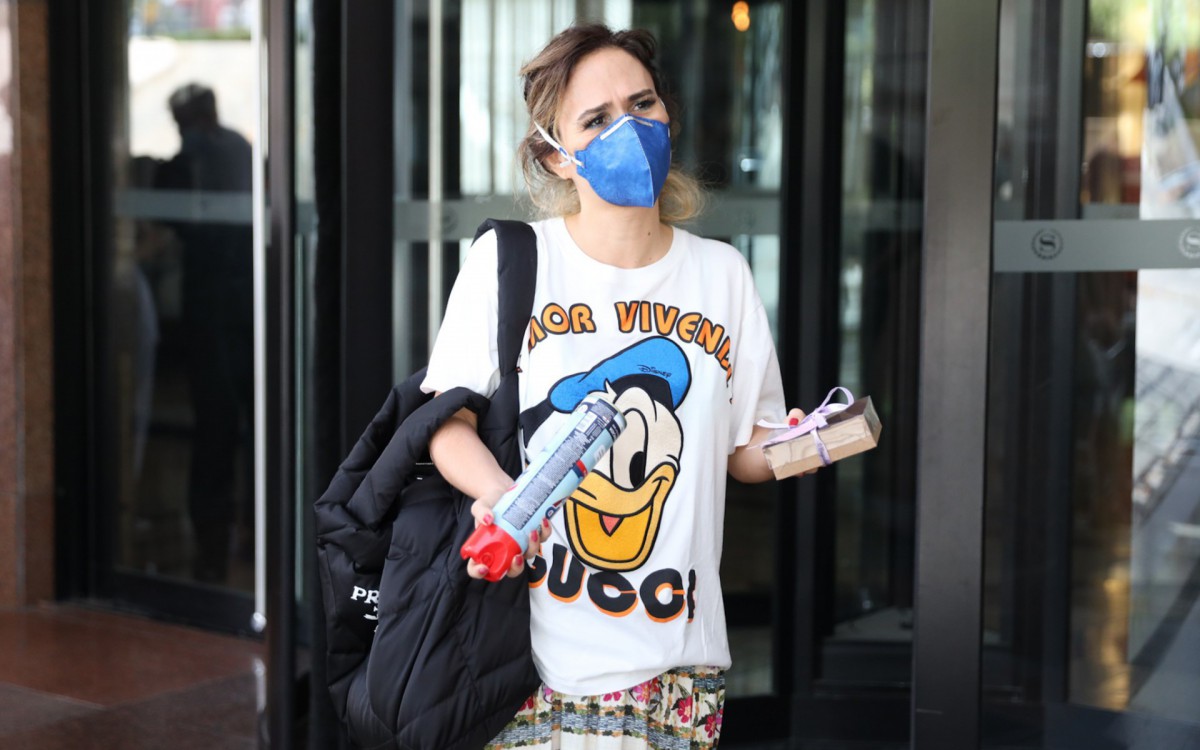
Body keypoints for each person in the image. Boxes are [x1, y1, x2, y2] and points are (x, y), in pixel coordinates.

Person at [421, 24, 806, 749]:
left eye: (642, 104)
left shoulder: (722, 275)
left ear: (668, 115)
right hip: (529, 659)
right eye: (596, 119)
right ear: (555, 154)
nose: (627, 130)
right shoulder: (513, 262)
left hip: (678, 665)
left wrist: (809, 444)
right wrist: (506, 500)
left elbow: (745, 452)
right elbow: (445, 421)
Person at [156, 83, 255, 584]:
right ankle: (248, 534)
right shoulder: (241, 149)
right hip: (246, 304)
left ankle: (213, 546)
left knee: (216, 425)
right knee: (252, 423)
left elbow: (169, 223)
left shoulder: (197, 157)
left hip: (216, 307)